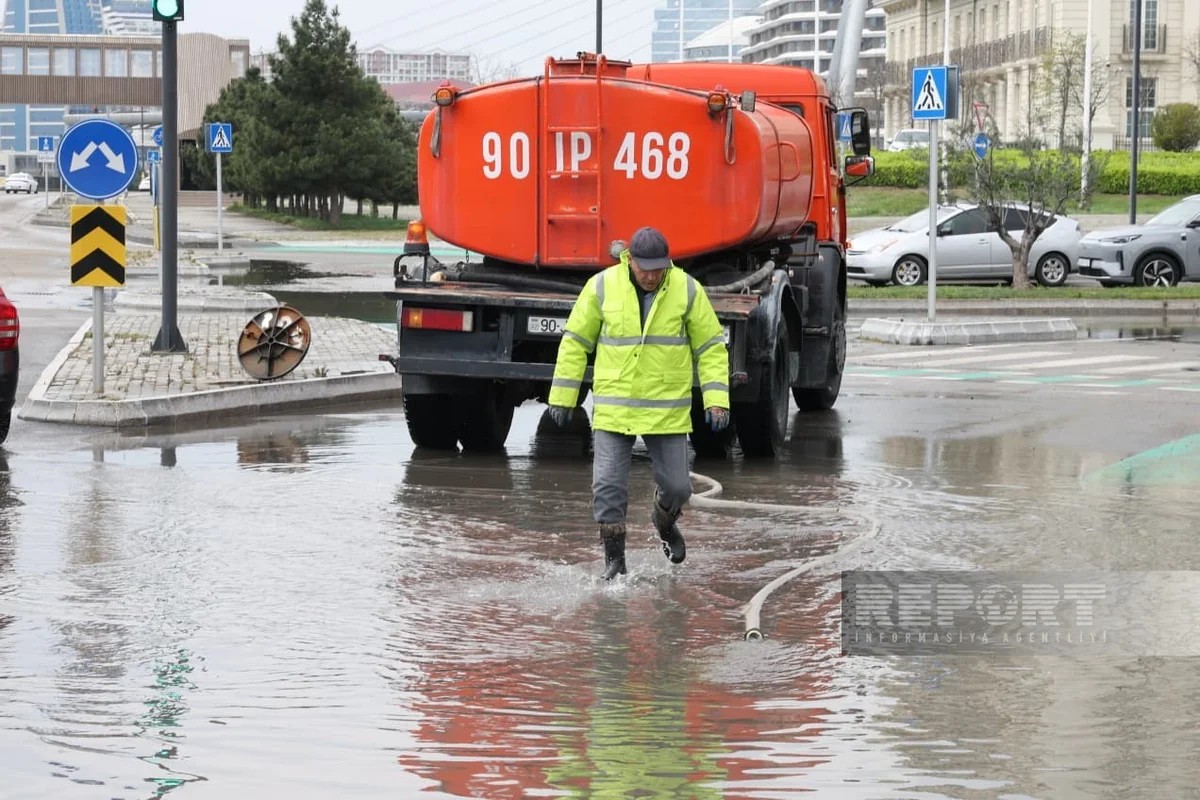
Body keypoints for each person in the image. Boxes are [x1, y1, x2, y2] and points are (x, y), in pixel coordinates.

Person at [547, 226, 731, 580]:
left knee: (678, 488)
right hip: (615, 410)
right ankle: (614, 560)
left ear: (667, 263)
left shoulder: (687, 290)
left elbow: (709, 347)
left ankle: (664, 522)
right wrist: (562, 395)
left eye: (658, 268)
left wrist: (716, 399)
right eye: (644, 268)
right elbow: (575, 342)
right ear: (629, 260)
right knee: (608, 488)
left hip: (666, 411)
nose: (650, 276)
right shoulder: (601, 286)